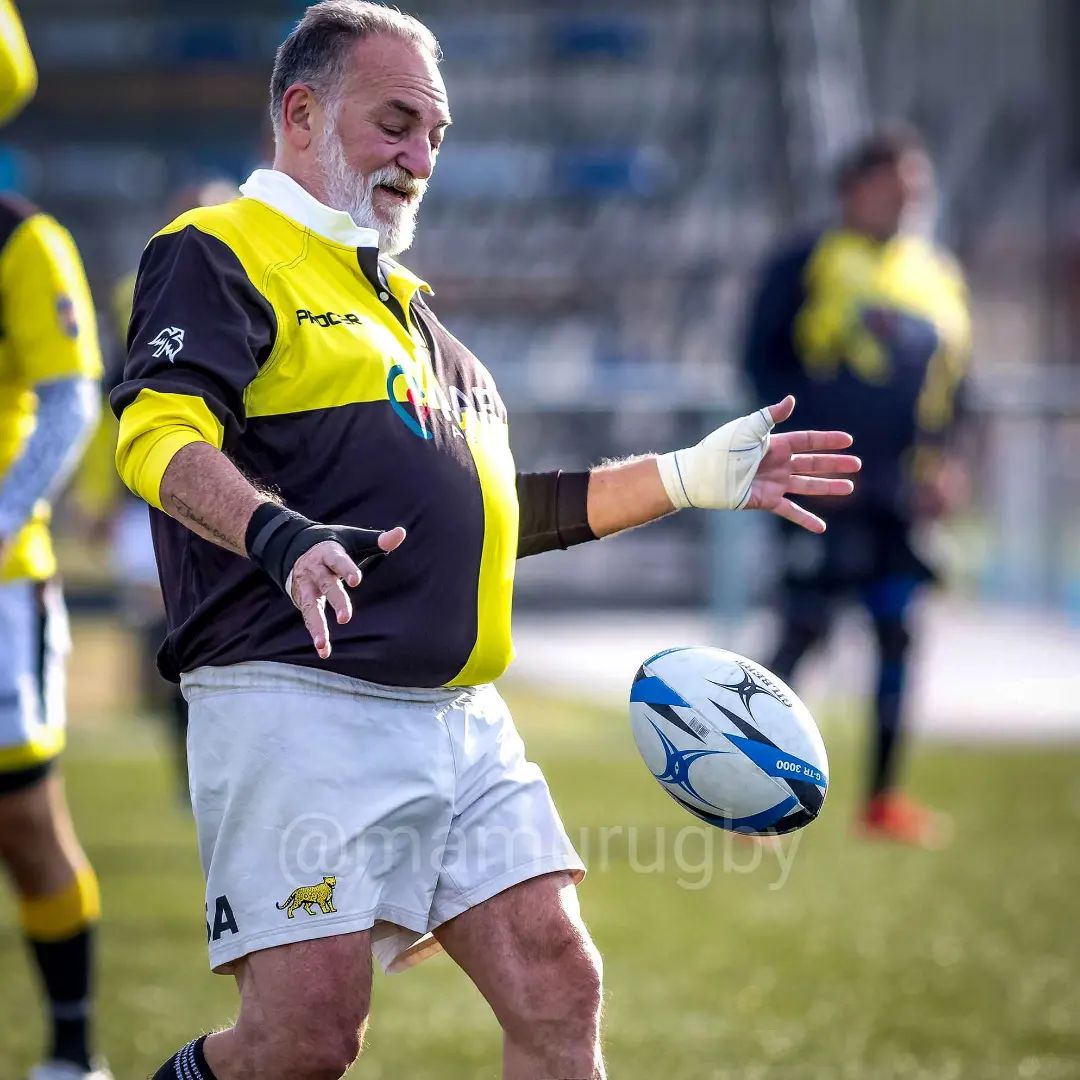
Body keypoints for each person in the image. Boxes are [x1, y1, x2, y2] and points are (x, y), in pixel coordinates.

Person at [111, 5, 860, 1078]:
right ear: (301, 112)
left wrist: (690, 477)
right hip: (297, 698)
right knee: (303, 1041)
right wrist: (279, 536)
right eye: (395, 124)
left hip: (463, 719)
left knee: (560, 984)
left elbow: (494, 517)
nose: (419, 160)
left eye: (436, 135)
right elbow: (157, 437)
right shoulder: (218, 249)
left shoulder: (422, 319)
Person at [743, 126, 971, 849]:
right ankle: (749, 800)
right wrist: (788, 451)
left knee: (898, 633)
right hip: (822, 491)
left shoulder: (936, 273)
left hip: (898, 501)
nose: (908, 200)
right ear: (854, 189)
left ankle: (881, 802)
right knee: (801, 632)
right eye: (894, 186)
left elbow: (957, 382)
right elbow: (759, 361)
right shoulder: (806, 261)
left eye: (916, 189)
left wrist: (948, 460)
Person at [74, 179, 238, 806]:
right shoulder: (139, 292)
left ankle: (214, 758)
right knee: (167, 628)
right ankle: (187, 761)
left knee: (215, 628)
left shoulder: (253, 285)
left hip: (232, 495)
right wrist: (97, 495)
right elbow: (111, 402)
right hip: (148, 496)